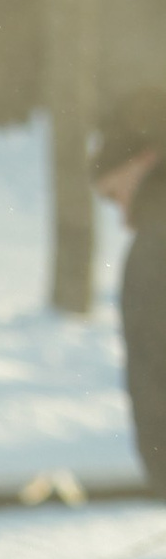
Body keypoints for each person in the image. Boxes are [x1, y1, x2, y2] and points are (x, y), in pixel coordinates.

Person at [99, 113, 166, 492]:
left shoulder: (156, 246)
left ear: (143, 161)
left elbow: (153, 368)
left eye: (114, 194)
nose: (122, 217)